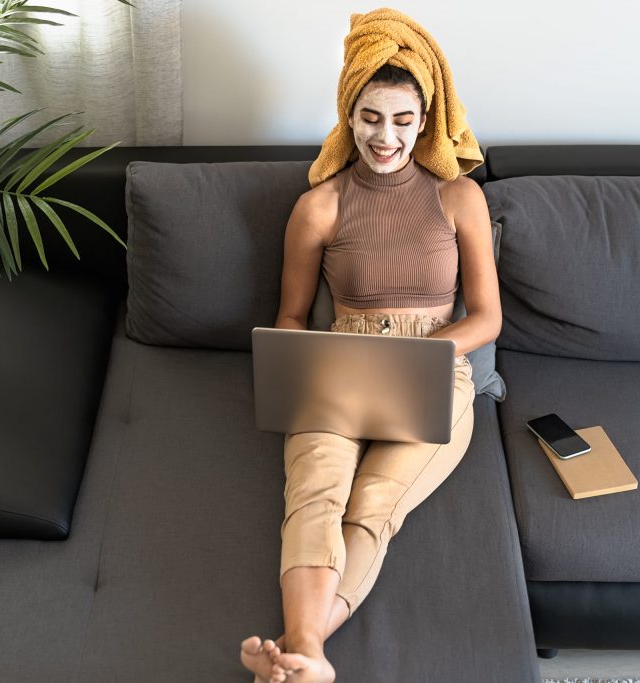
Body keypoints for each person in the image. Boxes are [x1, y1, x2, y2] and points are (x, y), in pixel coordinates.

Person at [239, 9, 501, 683]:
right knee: (317, 489)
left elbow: (488, 317)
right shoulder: (319, 206)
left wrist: (426, 353)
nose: (387, 137)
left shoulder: (459, 198)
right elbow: (292, 316)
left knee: (377, 501)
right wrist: (295, 366)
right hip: (340, 364)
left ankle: (301, 649)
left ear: (425, 118)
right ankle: (311, 656)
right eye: (371, 117)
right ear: (348, 115)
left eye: (403, 119)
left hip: (437, 364)